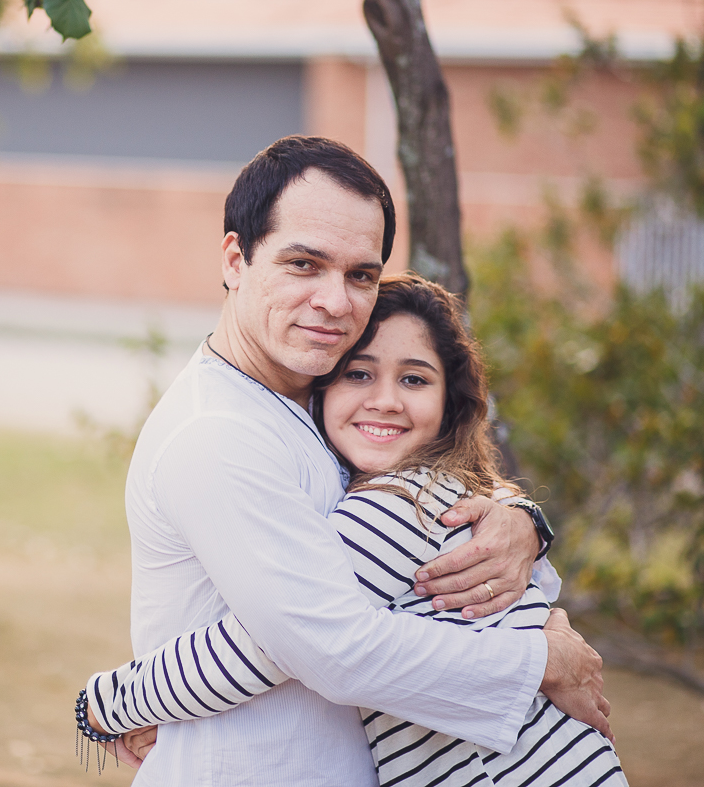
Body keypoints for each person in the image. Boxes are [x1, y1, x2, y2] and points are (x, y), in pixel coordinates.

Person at [72, 136, 609, 787]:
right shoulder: (218, 432)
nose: (336, 302)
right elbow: (333, 648)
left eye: (361, 275)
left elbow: (406, 511)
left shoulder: (320, 399)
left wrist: (519, 518)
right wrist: (538, 658)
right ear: (235, 258)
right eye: (304, 264)